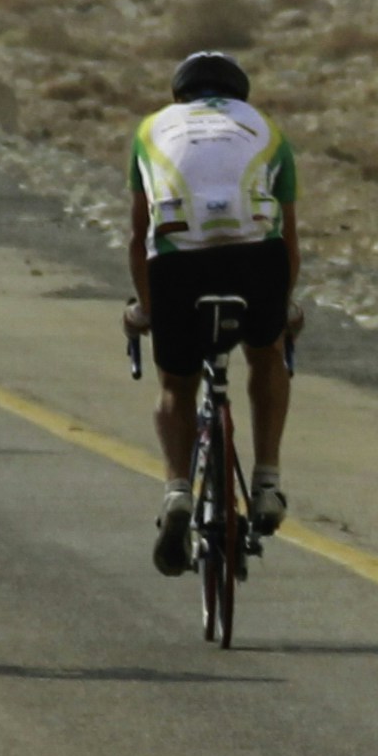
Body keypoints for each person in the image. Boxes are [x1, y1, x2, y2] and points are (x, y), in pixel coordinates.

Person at [125, 47, 299, 571]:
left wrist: (146, 309)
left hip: (180, 263)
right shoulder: (266, 129)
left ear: (178, 96)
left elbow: (139, 235)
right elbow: (288, 239)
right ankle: (267, 483)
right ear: (239, 96)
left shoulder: (151, 128)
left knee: (176, 383)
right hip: (256, 260)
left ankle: (178, 490)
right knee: (266, 351)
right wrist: (285, 306)